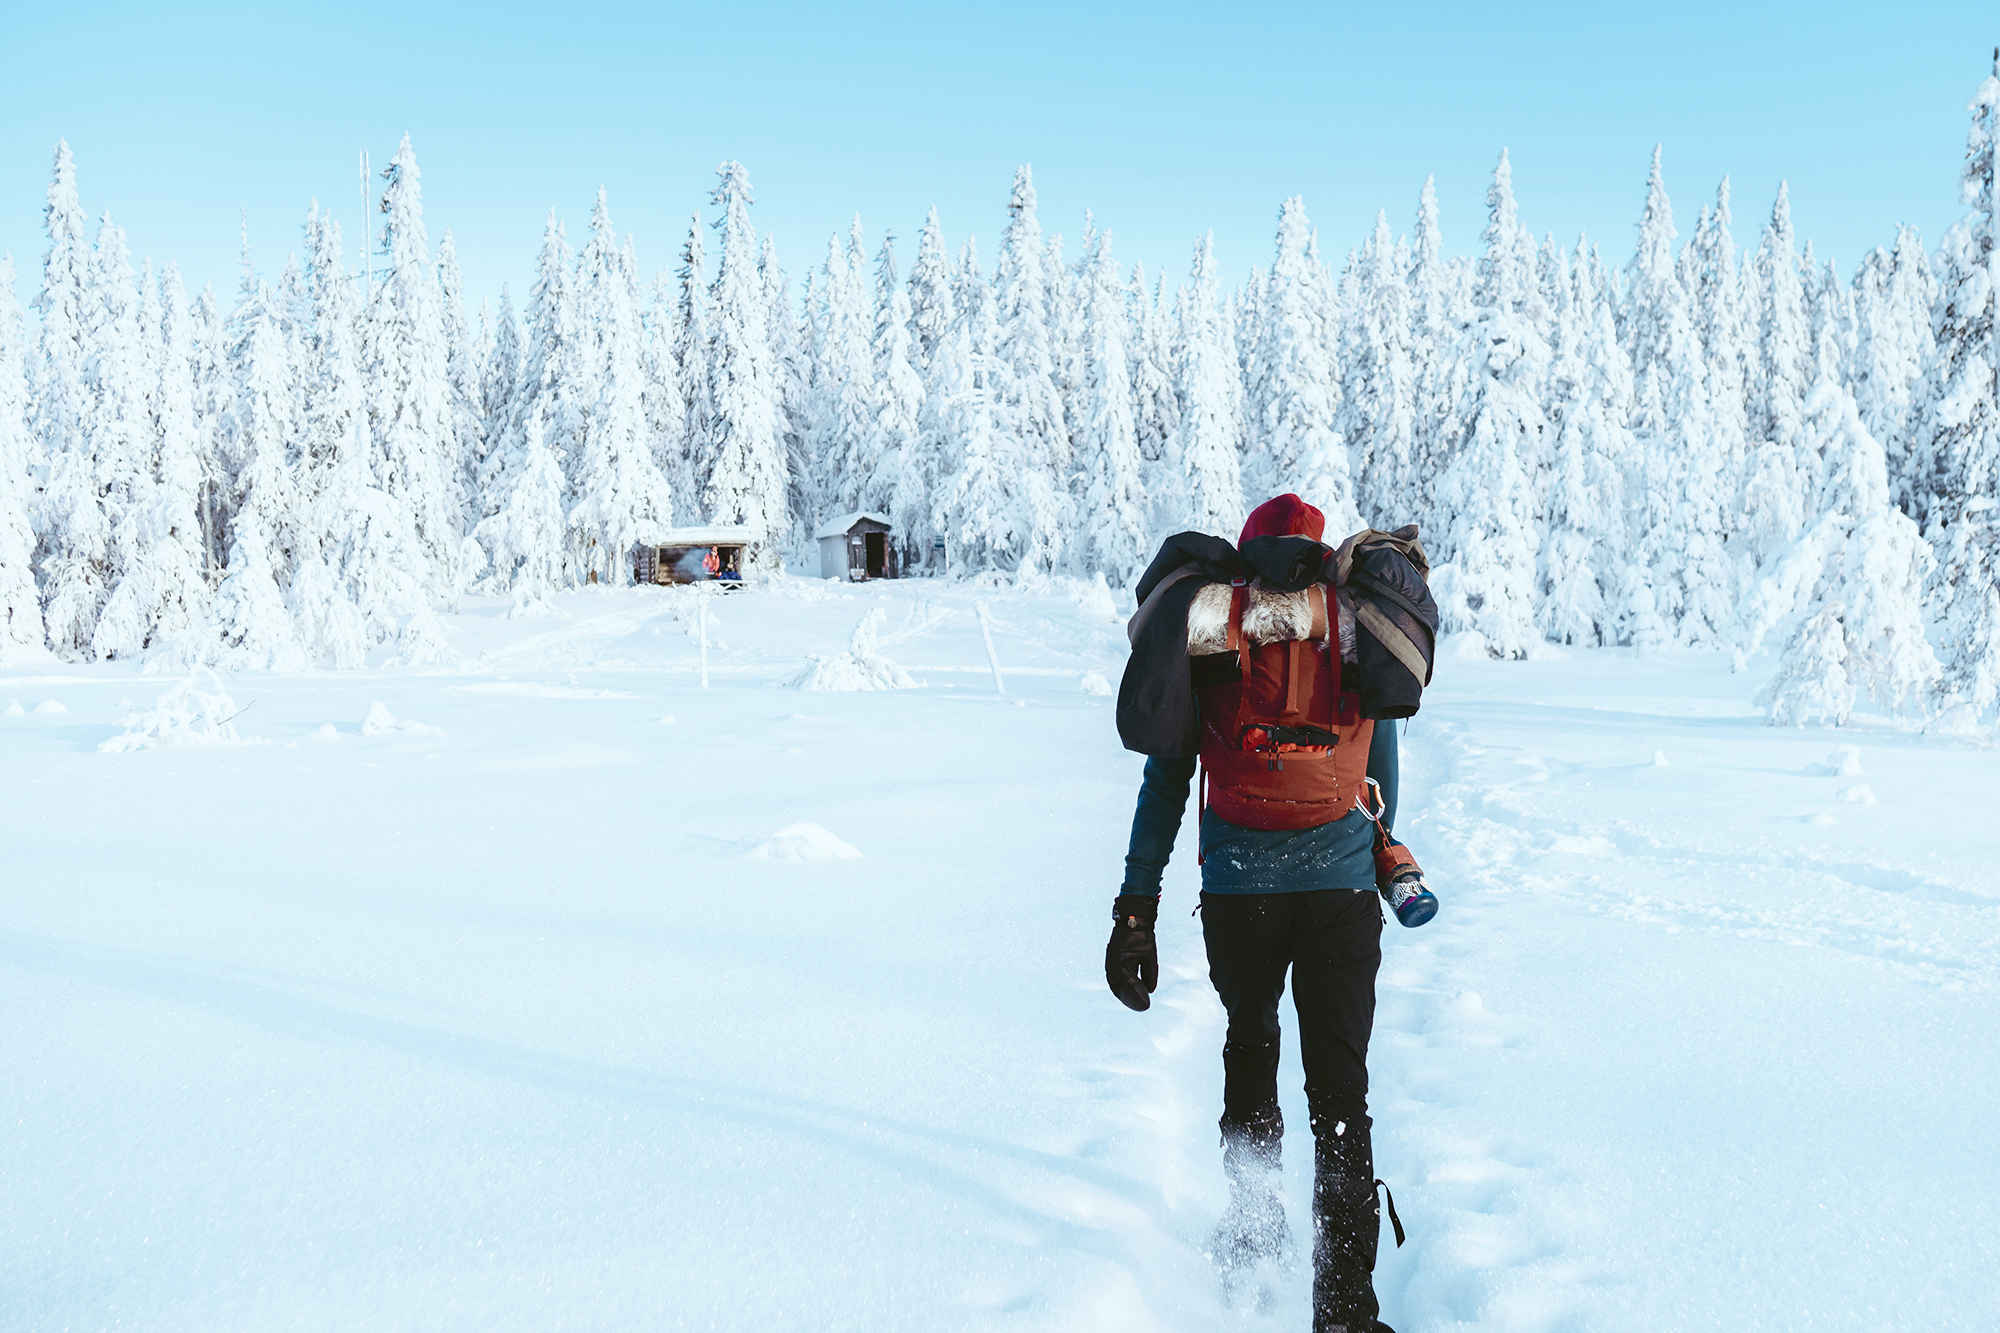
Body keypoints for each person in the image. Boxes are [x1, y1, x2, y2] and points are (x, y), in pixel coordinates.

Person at [1106, 493, 1406, 1333]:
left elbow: (1168, 776)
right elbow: (1380, 774)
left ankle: (1252, 1234)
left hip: (1239, 891)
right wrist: (1379, 859)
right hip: (1340, 890)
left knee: (1250, 1039)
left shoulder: (1214, 624)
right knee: (1340, 1093)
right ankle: (1343, 1311)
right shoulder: (1350, 623)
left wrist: (1135, 906)